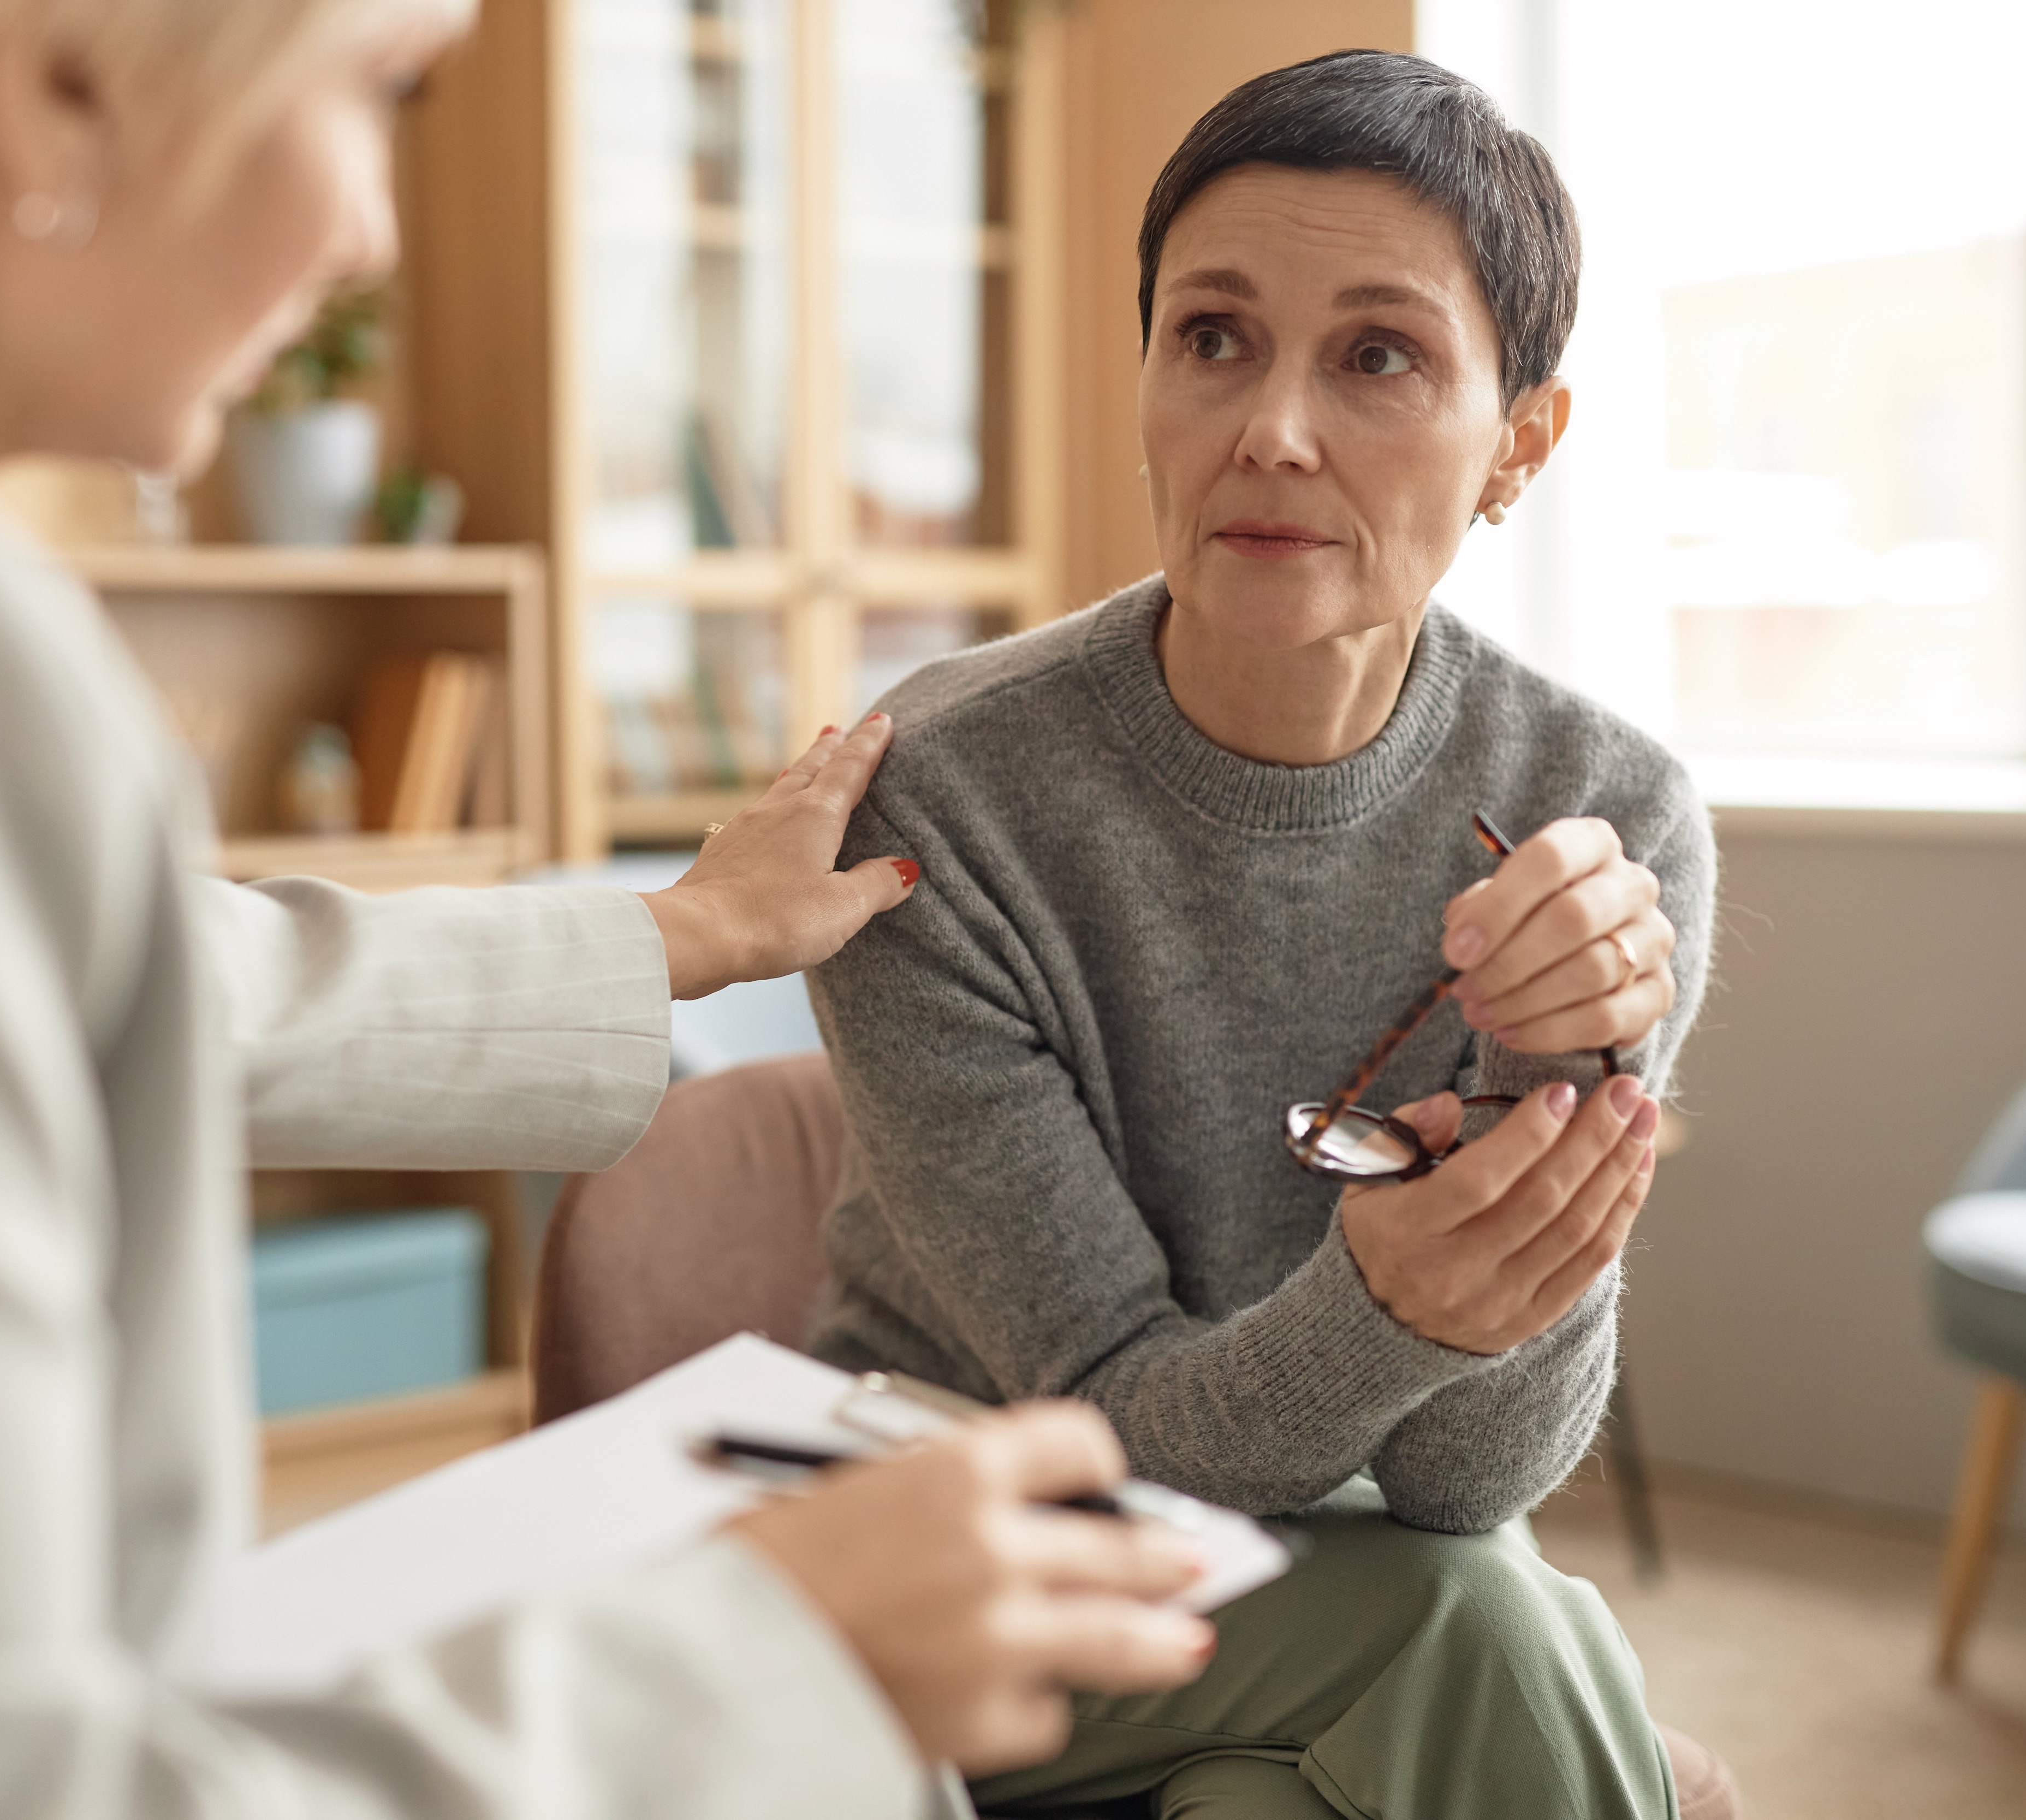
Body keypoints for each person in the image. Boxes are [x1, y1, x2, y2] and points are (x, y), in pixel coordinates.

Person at [0, 2, 1219, 1816]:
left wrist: (673, 939)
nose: (373, 236)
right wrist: (770, 1662)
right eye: (380, 90)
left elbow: (159, 972)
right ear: (64, 72)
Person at [804, 50, 1734, 1820]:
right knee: (1486, 1630)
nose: (1272, 431)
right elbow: (1111, 1432)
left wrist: (1563, 1062)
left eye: (1379, 356)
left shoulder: (1600, 818)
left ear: (1519, 445)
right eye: (1212, 338)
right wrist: (1392, 1302)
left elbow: (1476, 1476)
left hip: (1353, 1585)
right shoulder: (934, 799)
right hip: (975, 1570)